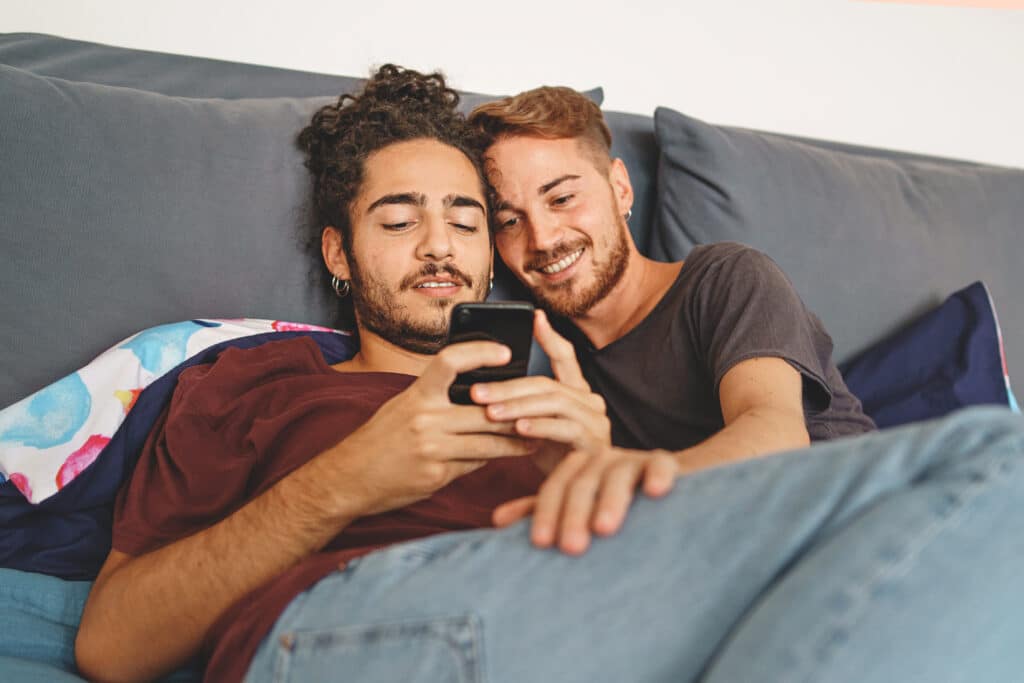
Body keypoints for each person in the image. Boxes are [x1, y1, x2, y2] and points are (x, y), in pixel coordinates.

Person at [74, 66, 1024, 683]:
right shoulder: (254, 381)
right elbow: (110, 646)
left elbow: (717, 476)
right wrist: (347, 478)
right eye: (400, 221)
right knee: (1000, 465)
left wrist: (596, 459)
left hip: (604, 605)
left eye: (466, 219)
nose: (442, 243)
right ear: (337, 250)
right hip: (369, 614)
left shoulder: (571, 392)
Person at [468, 89, 878, 553]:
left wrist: (632, 482)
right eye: (509, 222)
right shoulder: (557, 360)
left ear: (619, 187)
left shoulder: (726, 277)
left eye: (561, 198)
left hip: (854, 522)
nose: (542, 239)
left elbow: (774, 431)